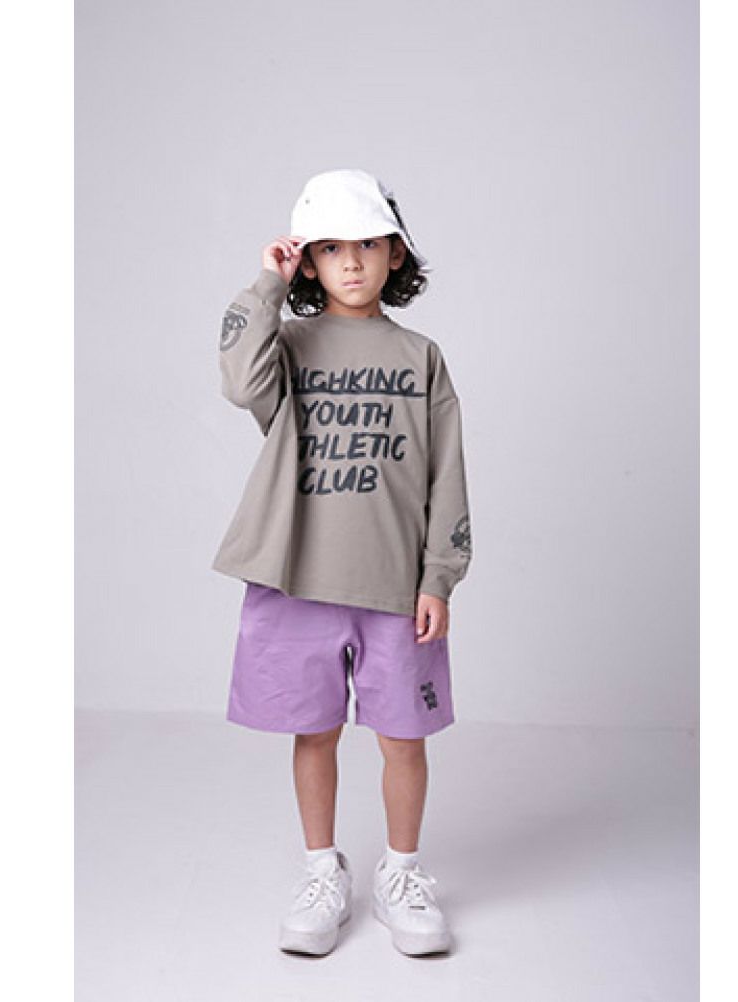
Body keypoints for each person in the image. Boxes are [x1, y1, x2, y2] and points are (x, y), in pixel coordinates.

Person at [212, 168, 473, 957]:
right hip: (299, 577)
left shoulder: (421, 357)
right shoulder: (288, 348)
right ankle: (322, 871)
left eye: (366, 244)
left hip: (395, 583)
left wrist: (439, 576)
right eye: (329, 248)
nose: (351, 262)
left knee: (403, 736)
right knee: (314, 731)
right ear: (309, 262)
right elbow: (238, 381)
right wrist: (268, 282)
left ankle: (402, 875)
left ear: (396, 254)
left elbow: (447, 473)